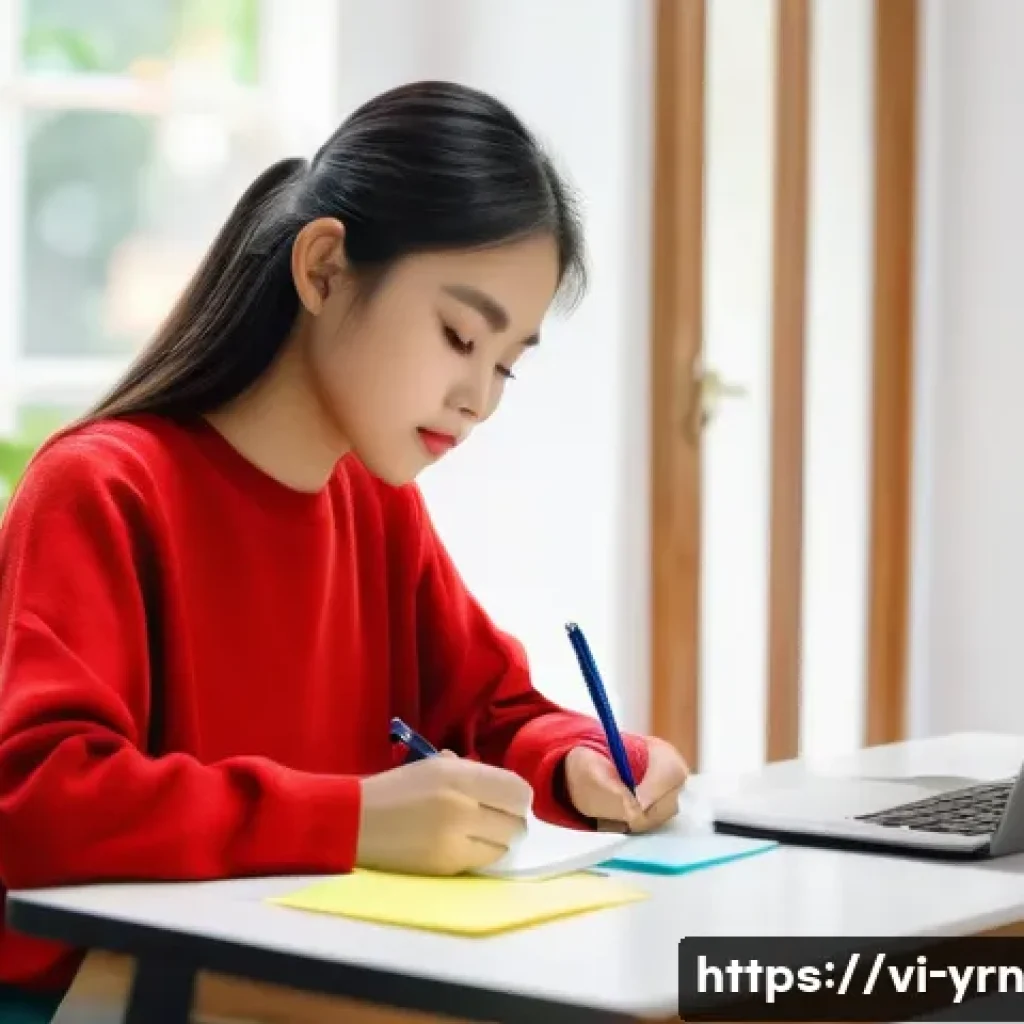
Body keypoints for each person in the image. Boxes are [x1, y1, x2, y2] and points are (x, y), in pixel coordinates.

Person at [0, 80, 689, 1017]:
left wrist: (579, 759)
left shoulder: (373, 502)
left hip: (314, 967)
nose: (478, 397)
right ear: (323, 269)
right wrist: (356, 819)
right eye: (458, 336)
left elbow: (489, 708)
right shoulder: (104, 487)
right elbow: (38, 805)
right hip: (115, 994)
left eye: (506, 365)